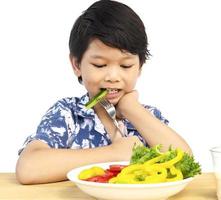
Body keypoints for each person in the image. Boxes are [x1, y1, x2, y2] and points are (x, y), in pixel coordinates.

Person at [16, 0, 192, 184]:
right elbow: (29, 168)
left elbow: (185, 163)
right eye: (100, 65)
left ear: (139, 67)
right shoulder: (67, 114)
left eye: (126, 65)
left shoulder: (148, 117)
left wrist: (133, 109)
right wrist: (114, 153)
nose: (113, 76)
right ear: (77, 65)